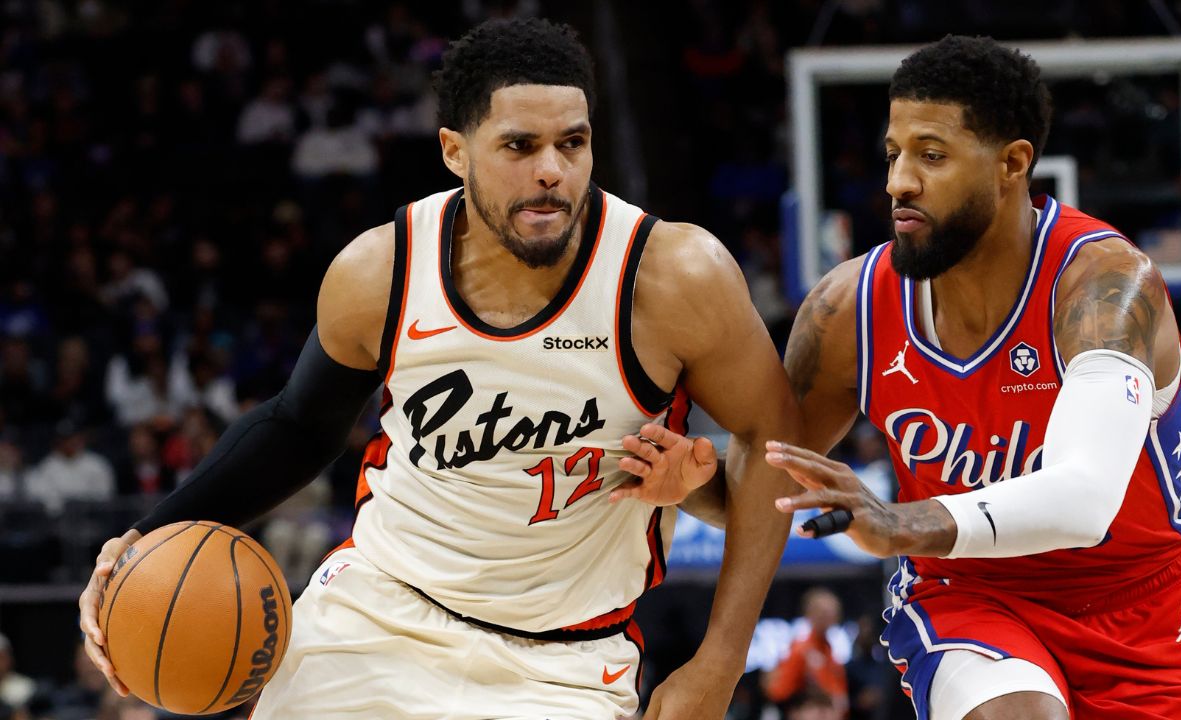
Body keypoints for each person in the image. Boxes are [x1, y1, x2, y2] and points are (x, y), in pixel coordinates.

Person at [77, 18, 799, 720]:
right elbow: (298, 426)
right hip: (376, 614)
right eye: (520, 145)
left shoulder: (673, 276)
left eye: (572, 142)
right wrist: (143, 538)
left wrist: (721, 659)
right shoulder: (381, 271)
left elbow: (779, 445)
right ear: (455, 150)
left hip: (564, 660)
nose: (552, 169)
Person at [627, 35, 1181, 720]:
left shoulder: (1107, 287)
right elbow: (769, 495)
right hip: (968, 594)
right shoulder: (849, 309)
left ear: (1013, 164)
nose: (898, 181)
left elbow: (1082, 502)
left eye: (931, 156)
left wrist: (899, 521)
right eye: (893, 154)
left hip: (1138, 606)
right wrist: (697, 490)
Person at [764, 587, 848, 716]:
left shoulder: (829, 650)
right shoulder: (801, 650)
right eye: (823, 614)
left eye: (833, 614)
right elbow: (779, 692)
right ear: (810, 614)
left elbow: (839, 694)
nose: (829, 619)